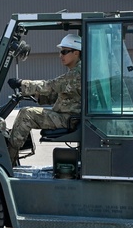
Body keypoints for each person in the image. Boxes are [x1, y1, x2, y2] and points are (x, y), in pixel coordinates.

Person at [6, 34, 82, 165]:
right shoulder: (77, 72)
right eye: (60, 52)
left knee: (26, 114)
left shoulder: (77, 74)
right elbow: (61, 95)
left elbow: (50, 85)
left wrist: (21, 83)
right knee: (29, 112)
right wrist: (38, 96)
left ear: (76, 53)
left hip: (68, 119)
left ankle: (7, 161)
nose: (60, 55)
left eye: (64, 52)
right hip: (69, 116)